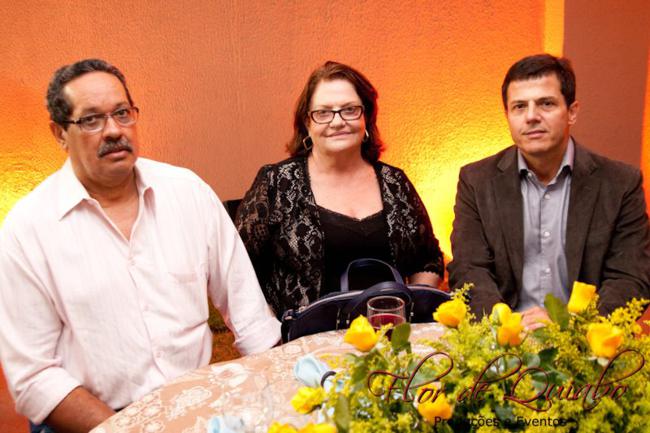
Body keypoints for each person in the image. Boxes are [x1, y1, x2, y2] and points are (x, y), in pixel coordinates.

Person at [0, 59, 280, 433]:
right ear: (60, 133)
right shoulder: (27, 229)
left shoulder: (187, 192)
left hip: (195, 408)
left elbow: (250, 317)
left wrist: (280, 401)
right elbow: (33, 377)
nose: (114, 130)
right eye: (91, 120)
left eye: (122, 113)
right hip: (94, 422)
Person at [448, 53, 650, 329]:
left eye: (546, 103)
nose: (531, 116)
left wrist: (568, 325)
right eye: (519, 106)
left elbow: (630, 278)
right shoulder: (476, 181)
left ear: (572, 112)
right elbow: (469, 269)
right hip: (503, 339)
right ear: (507, 116)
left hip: (586, 341)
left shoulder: (620, 183)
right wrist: (506, 325)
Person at [236, 61, 444, 318]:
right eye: (323, 113)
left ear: (366, 117)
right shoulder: (277, 184)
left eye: (349, 110)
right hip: (306, 339)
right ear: (307, 122)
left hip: (389, 336)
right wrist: (272, 333)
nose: (337, 122)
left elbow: (428, 259)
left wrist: (413, 312)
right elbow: (239, 272)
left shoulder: (395, 182)